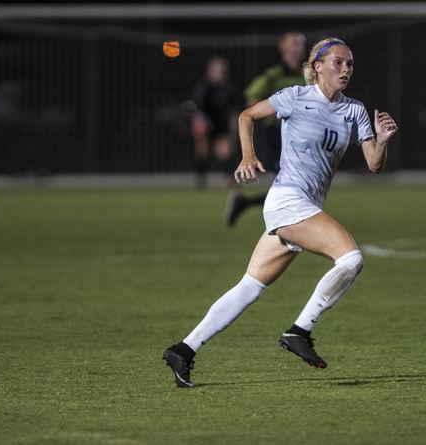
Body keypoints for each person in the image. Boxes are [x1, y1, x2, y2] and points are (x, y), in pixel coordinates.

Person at [163, 37, 398, 388]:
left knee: (249, 288)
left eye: (350, 63)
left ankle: (183, 350)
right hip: (287, 200)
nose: (346, 68)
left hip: (303, 206)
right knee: (350, 259)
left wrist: (382, 139)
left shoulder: (355, 111)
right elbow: (247, 116)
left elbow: (374, 164)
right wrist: (246, 155)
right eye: (337, 62)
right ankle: (299, 331)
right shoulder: (295, 97)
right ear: (317, 66)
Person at [224, 31, 307, 226]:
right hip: (277, 137)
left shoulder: (307, 76)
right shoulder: (272, 76)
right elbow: (251, 99)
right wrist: (279, 110)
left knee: (295, 186)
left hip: (302, 138)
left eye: (301, 44)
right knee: (293, 186)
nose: (298, 47)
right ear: (283, 48)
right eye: (294, 43)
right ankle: (284, 225)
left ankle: (244, 202)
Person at [190, 56, 240, 189]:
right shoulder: (204, 87)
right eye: (217, 70)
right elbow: (197, 106)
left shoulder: (230, 87)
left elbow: (235, 106)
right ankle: (201, 178)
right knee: (202, 151)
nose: (220, 72)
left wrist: (233, 123)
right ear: (210, 71)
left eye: (223, 70)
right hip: (206, 123)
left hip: (222, 124)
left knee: (225, 151)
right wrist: (200, 120)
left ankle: (227, 179)